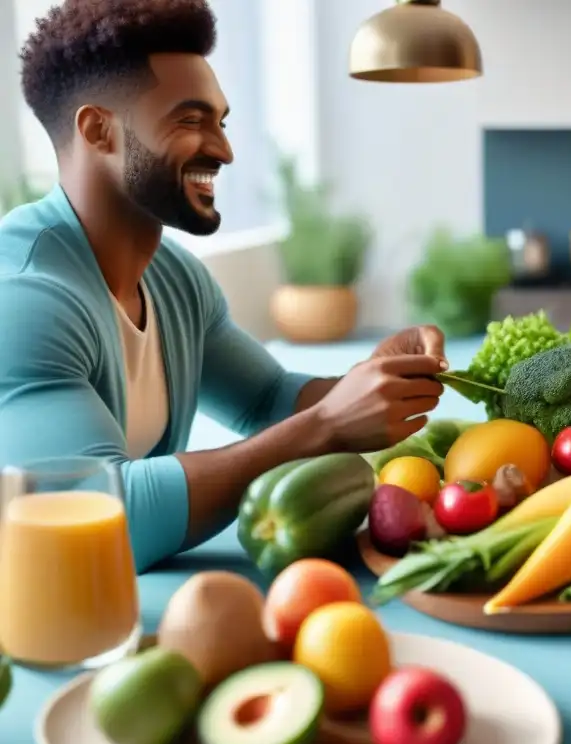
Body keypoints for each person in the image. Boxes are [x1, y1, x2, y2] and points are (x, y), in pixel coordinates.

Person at [0, 0, 448, 573]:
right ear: (98, 130)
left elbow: (266, 401)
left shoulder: (175, 278)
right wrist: (329, 423)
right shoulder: (25, 299)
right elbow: (109, 518)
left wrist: (367, 381)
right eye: (190, 121)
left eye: (221, 121)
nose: (224, 149)